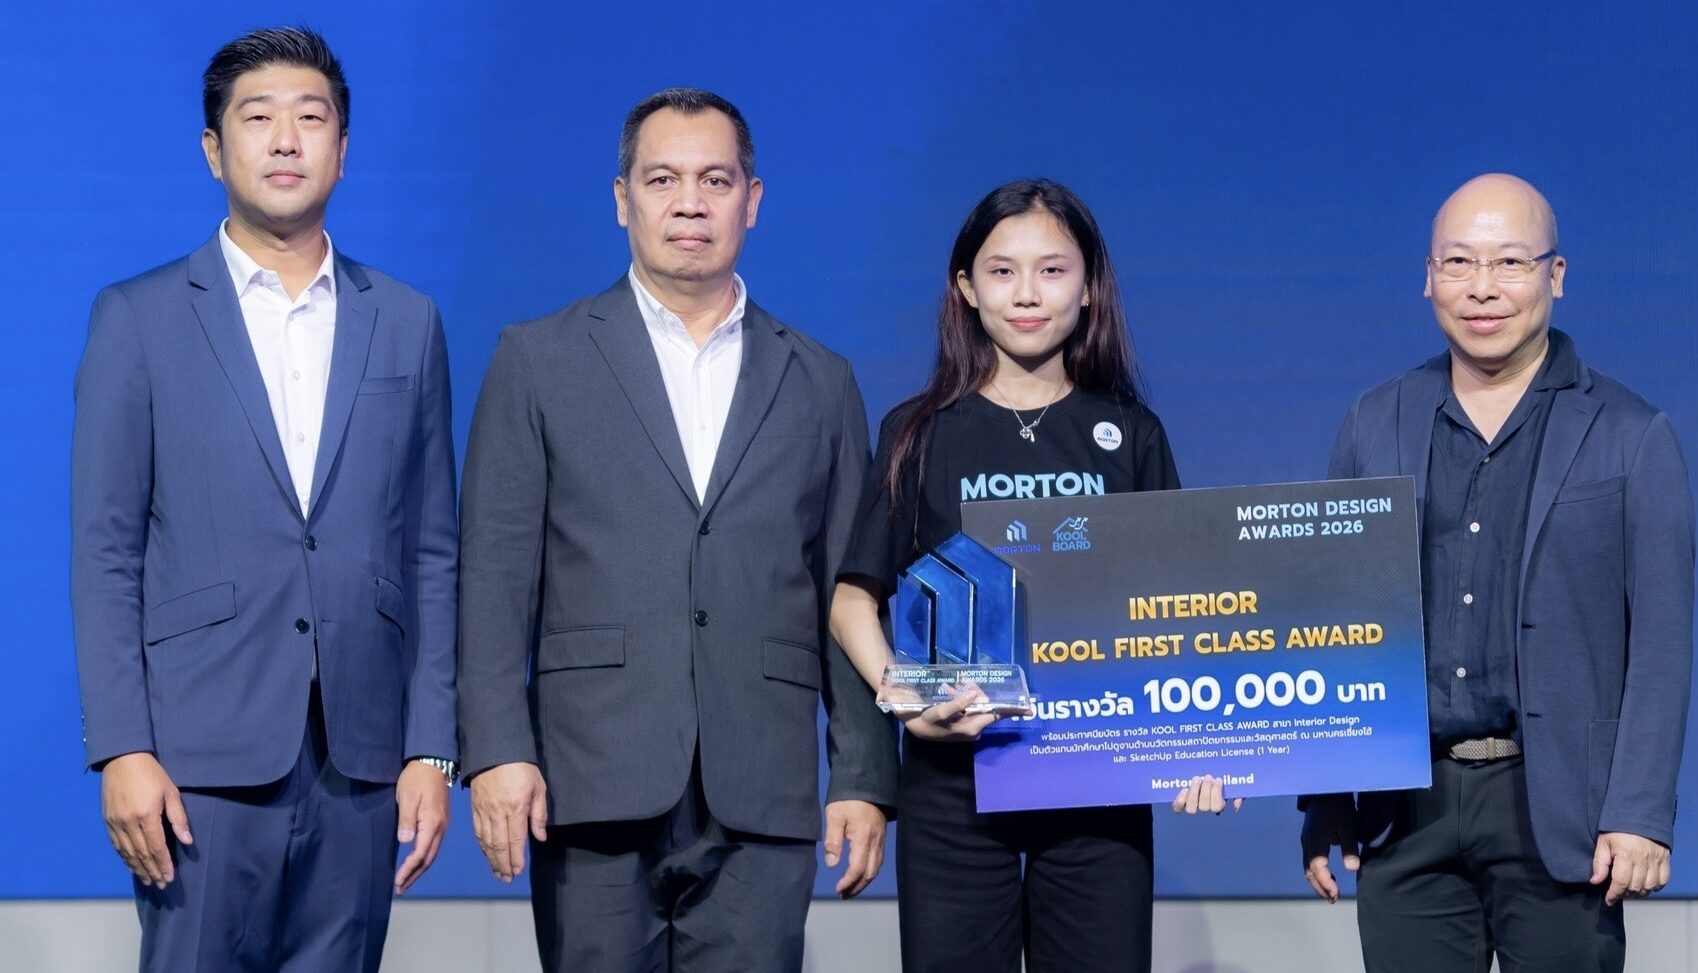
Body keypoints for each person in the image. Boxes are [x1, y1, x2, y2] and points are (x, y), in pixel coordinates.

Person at [456, 87, 898, 973]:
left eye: (714, 180)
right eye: (662, 180)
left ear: (752, 200)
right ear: (623, 199)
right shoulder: (536, 359)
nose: (689, 203)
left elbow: (848, 592)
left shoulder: (821, 380)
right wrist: (497, 750)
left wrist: (862, 775)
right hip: (588, 778)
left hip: (761, 784)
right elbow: (493, 579)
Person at [69, 27, 459, 972]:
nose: (286, 140)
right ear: (214, 150)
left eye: (310, 118)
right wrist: (122, 748)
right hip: (196, 760)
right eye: (258, 118)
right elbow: (106, 550)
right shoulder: (139, 317)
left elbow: (433, 552)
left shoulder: (406, 321)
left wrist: (432, 748)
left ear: (343, 149)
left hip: (361, 759)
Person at [830, 179, 1234, 973]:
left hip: (1098, 785)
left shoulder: (1130, 433)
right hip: (954, 787)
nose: (1026, 294)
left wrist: (1205, 741)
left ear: (1088, 288)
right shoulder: (917, 432)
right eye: (1001, 270)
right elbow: (852, 600)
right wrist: (908, 702)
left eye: (1052, 270)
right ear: (965, 288)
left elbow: (1184, 607)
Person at [1301, 173, 1693, 972]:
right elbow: (1333, 619)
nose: (1482, 287)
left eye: (1511, 262)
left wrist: (1641, 812)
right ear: (1428, 277)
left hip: (1563, 815)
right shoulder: (1375, 421)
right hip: (1405, 813)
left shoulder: (1632, 434)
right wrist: (1328, 796)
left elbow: (1662, 640)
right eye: (1458, 262)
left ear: (1556, 275)